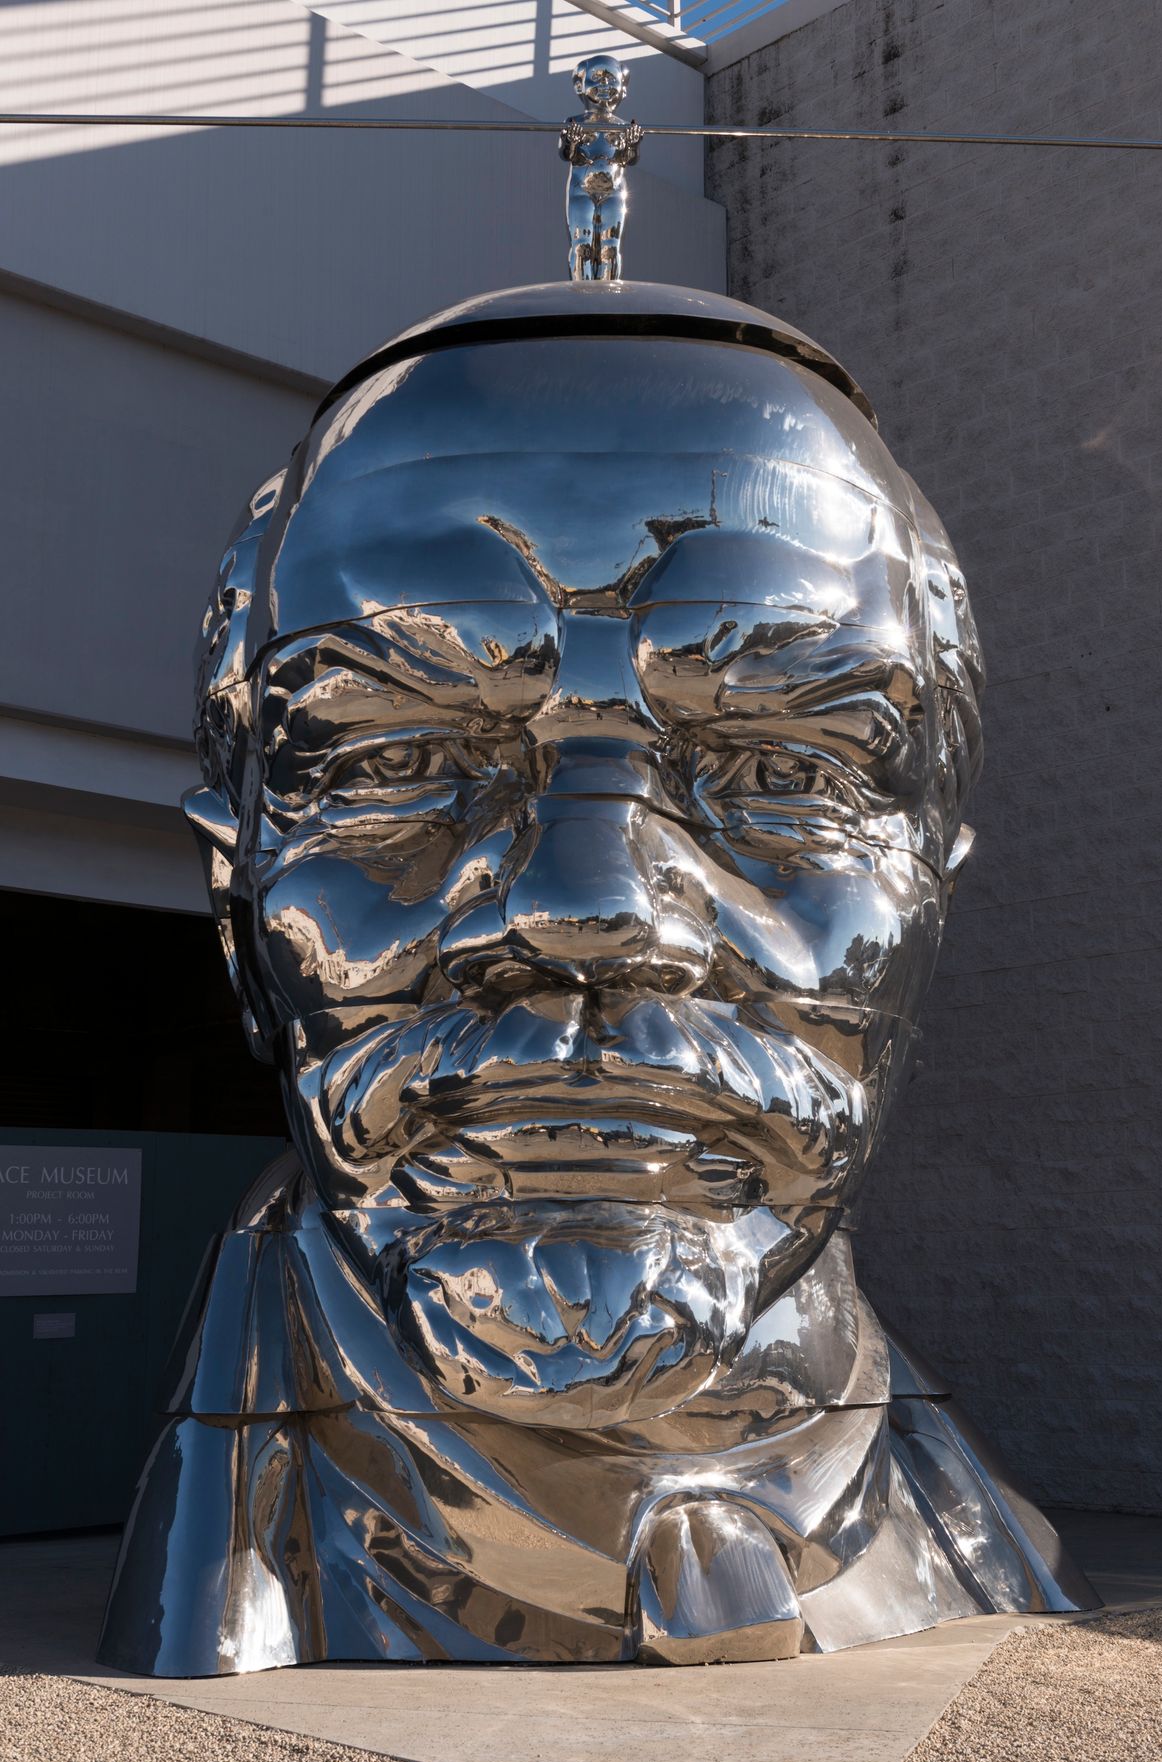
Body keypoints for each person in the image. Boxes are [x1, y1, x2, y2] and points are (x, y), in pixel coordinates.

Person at [99, 282, 1094, 1676]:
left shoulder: (986, 1545)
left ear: (931, 899)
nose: (593, 907)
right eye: (402, 758)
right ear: (236, 911)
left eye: (781, 769)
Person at [559, 54, 642, 280]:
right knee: (581, 244)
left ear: (623, 88)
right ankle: (582, 290)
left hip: (613, 191)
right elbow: (567, 155)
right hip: (581, 190)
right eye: (597, 77)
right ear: (580, 86)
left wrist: (633, 145)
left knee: (610, 246)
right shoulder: (575, 122)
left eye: (611, 79)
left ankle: (608, 291)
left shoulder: (623, 127)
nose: (605, 84)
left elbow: (628, 159)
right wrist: (571, 142)